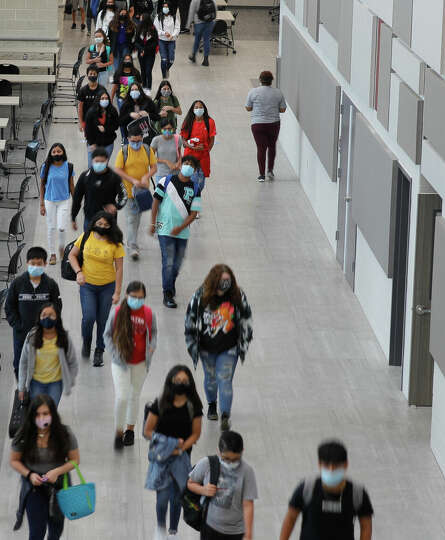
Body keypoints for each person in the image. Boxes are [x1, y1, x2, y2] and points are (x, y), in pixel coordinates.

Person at [184, 264, 253, 431]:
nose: (225, 283)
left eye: (228, 280)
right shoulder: (200, 297)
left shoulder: (237, 296)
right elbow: (190, 321)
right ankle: (212, 404)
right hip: (206, 349)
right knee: (211, 380)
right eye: (222, 280)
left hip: (229, 349)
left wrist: (244, 342)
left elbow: (246, 319)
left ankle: (225, 415)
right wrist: (192, 344)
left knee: (225, 380)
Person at [144, 364, 203, 540]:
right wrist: (169, 445)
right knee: (162, 499)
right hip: (161, 457)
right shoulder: (160, 404)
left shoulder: (194, 406)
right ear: (170, 381)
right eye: (177, 380)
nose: (181, 383)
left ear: (190, 383)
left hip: (182, 458)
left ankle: (173, 531)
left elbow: (196, 434)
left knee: (177, 498)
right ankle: (160, 529)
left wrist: (180, 449)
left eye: (184, 381)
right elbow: (148, 431)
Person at [10, 394, 81, 540]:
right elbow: (14, 460)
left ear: (52, 414)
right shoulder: (24, 434)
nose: (42, 418)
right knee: (36, 533)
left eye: (45, 413)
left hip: (59, 488)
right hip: (34, 489)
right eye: (38, 414)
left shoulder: (65, 434)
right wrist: (29, 474)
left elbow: (75, 460)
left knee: (55, 532)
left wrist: (57, 471)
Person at [279, 440, 374, 540]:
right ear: (319, 464)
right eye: (326, 465)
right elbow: (290, 519)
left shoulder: (357, 493)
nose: (331, 470)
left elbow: (366, 526)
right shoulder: (306, 488)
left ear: (346, 465)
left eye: (336, 466)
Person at [103, 280, 156, 449]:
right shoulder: (117, 312)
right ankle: (119, 431)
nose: (137, 300)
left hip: (140, 363)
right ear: (127, 295)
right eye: (134, 297)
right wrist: (114, 353)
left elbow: (153, 332)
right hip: (120, 363)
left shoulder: (148, 314)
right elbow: (107, 335)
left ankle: (130, 430)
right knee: (122, 397)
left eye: (141, 298)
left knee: (134, 396)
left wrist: (151, 348)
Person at [67, 212, 124, 367]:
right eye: (99, 224)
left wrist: (117, 291)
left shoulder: (115, 243)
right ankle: (87, 341)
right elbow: (72, 255)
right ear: (94, 223)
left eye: (106, 225)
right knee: (89, 317)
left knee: (103, 320)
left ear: (111, 226)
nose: (102, 227)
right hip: (88, 286)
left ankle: (99, 350)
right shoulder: (86, 236)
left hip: (107, 286)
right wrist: (78, 272)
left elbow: (119, 268)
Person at [149, 154, 204, 308]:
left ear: (194, 170)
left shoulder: (195, 188)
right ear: (179, 164)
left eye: (191, 165)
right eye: (185, 163)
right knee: (168, 260)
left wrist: (181, 227)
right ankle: (167, 293)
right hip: (164, 229)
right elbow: (155, 203)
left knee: (177, 263)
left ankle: (170, 286)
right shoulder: (166, 181)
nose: (188, 166)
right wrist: (152, 223)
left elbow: (194, 213)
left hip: (183, 232)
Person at [5, 246, 63, 379]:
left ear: (45, 264)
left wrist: (49, 324)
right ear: (27, 263)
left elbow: (57, 307)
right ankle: (22, 393)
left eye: (39, 264)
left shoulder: (51, 285)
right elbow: (9, 307)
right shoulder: (17, 284)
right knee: (20, 363)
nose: (35, 267)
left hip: (44, 334)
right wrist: (18, 325)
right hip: (21, 334)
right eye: (33, 264)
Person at [187, 431, 258, 540]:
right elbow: (190, 483)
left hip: (236, 532)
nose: (231, 463)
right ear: (219, 452)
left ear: (242, 452)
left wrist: (248, 534)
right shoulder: (207, 464)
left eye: (235, 459)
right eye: (227, 459)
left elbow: (248, 504)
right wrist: (203, 490)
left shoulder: (247, 472)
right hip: (210, 527)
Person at [17, 304, 78, 406]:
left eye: (51, 315)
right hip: (36, 383)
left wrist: (69, 380)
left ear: (57, 318)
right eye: (44, 315)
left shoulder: (64, 338)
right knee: (39, 413)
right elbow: (23, 362)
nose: (47, 318)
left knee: (50, 413)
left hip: (56, 384)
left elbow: (72, 362)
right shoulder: (32, 337)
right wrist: (21, 387)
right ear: (39, 317)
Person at [112, 123, 156, 260]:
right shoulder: (123, 152)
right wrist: (132, 180)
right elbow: (118, 169)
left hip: (142, 192)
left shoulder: (148, 150)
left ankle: (132, 241)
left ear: (142, 138)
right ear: (128, 139)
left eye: (138, 141)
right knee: (131, 219)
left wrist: (146, 176)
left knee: (136, 219)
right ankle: (132, 247)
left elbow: (154, 167)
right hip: (129, 192)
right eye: (133, 141)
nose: (136, 144)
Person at [245, 70, 287, 182]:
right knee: (272, 146)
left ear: (260, 80)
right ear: (271, 80)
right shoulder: (278, 92)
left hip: (257, 124)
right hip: (273, 123)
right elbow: (282, 109)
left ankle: (261, 175)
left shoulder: (253, 92)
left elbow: (248, 108)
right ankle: (270, 171)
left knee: (261, 148)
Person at [71, 148, 125, 232]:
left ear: (107, 161)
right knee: (88, 243)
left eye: (102, 161)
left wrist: (116, 206)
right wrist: (73, 217)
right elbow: (77, 198)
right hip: (90, 219)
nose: (99, 164)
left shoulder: (114, 177)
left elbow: (124, 195)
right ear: (92, 161)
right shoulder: (85, 177)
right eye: (97, 161)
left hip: (108, 221)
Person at [40, 144, 76, 265]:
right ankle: (52, 254)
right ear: (50, 154)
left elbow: (71, 185)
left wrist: (76, 201)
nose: (56, 154)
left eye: (59, 151)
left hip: (64, 201)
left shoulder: (69, 167)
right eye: (54, 152)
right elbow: (42, 186)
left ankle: (61, 248)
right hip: (49, 200)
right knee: (51, 227)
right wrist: (41, 204)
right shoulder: (46, 167)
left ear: (63, 152)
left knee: (61, 227)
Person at [180, 100, 217, 179]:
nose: (198, 109)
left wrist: (206, 151)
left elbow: (212, 140)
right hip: (189, 156)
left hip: (203, 157)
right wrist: (193, 148)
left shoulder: (210, 122)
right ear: (193, 110)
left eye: (201, 107)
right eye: (196, 107)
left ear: (204, 109)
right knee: (189, 179)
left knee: (200, 182)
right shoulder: (188, 121)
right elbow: (183, 140)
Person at [83, 89, 119, 164]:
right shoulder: (91, 112)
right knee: (91, 166)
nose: (104, 100)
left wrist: (106, 129)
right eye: (102, 98)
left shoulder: (112, 111)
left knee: (104, 166)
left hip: (107, 144)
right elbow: (87, 130)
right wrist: (92, 143)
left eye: (106, 98)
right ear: (98, 99)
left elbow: (115, 126)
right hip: (94, 144)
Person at [154, 2, 180, 78]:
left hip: (171, 41)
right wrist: (164, 33)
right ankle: (164, 76)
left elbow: (177, 28)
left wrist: (173, 35)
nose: (165, 9)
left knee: (171, 59)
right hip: (162, 41)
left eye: (167, 7)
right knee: (164, 59)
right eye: (164, 7)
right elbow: (156, 29)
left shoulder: (174, 17)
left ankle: (167, 69)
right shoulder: (158, 17)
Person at [188, 0, 217, 66]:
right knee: (206, 40)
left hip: (199, 23)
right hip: (210, 23)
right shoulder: (212, 0)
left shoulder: (195, 1)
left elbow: (191, 12)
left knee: (197, 40)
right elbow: (215, 12)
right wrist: (213, 22)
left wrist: (189, 24)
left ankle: (193, 56)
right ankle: (206, 60)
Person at [77, 65, 106, 132]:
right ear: (87, 75)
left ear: (97, 75)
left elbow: (105, 107)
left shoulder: (102, 89)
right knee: (90, 141)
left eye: (94, 74)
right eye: (91, 74)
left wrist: (105, 122)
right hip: (87, 120)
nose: (92, 75)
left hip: (99, 120)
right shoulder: (83, 90)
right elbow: (80, 108)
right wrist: (81, 123)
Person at [108, 8, 136, 74]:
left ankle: (123, 79)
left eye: (125, 14)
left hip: (126, 46)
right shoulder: (112, 24)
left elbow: (133, 37)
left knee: (124, 64)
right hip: (115, 47)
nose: (123, 15)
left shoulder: (131, 24)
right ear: (118, 14)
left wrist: (133, 47)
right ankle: (117, 79)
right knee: (116, 66)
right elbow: (109, 36)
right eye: (122, 14)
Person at [134, 16, 158, 91]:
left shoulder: (153, 29)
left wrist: (145, 50)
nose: (140, 20)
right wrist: (141, 50)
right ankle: (143, 87)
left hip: (150, 54)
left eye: (141, 18)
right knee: (143, 71)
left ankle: (148, 89)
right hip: (141, 54)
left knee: (148, 71)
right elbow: (136, 42)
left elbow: (155, 43)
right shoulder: (138, 28)